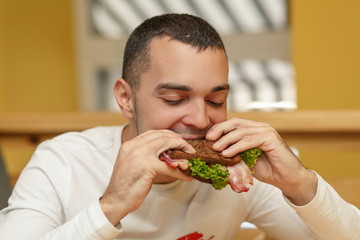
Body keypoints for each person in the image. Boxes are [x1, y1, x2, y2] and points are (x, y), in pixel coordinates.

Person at [0, 13, 359, 240]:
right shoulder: (62, 162)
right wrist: (111, 206)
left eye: (217, 100)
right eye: (174, 99)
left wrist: (299, 184)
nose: (201, 120)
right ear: (126, 99)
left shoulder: (240, 177)